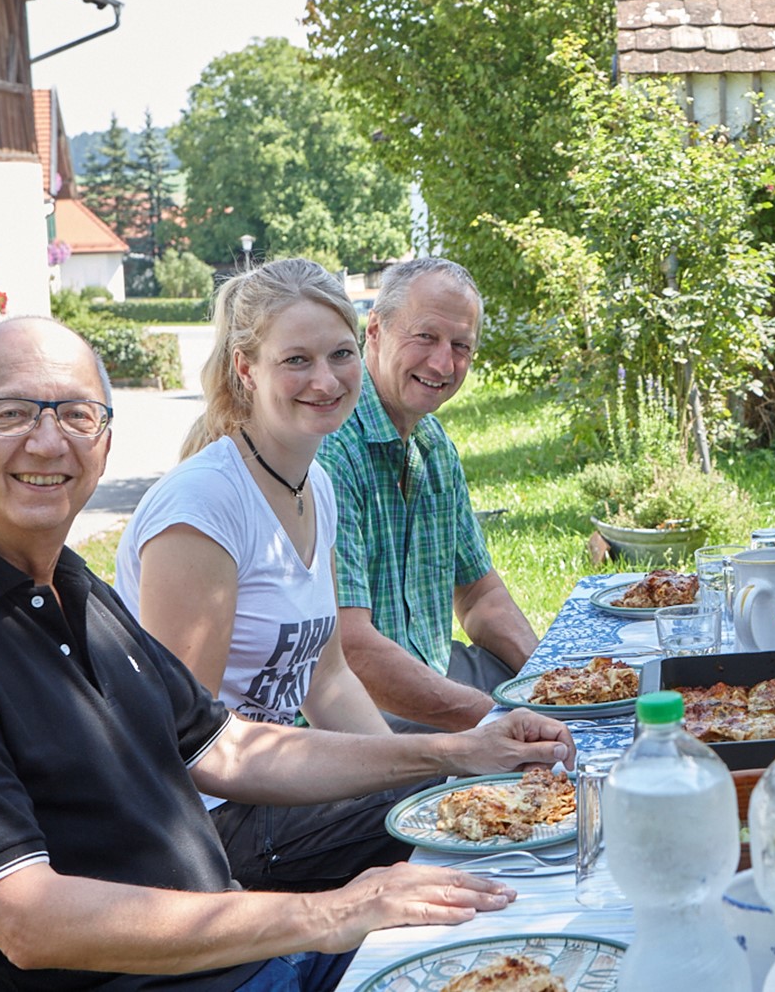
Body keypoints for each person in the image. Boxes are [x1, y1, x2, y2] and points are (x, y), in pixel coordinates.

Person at [0, 316, 574, 991]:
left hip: (241, 960)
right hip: (187, 978)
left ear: (103, 443)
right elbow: (27, 922)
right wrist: (335, 911)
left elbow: (230, 751)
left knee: (535, 934)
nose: (48, 442)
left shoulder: (70, 584)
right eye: (11, 414)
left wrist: (455, 751)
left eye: (76, 414)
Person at [116, 259, 525, 891]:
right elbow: (188, 749)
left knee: (480, 797)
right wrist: (437, 756)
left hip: (283, 784)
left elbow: (328, 678)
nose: (326, 380)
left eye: (339, 355)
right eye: (297, 361)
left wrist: (416, 766)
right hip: (206, 830)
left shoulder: (317, 487)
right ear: (246, 368)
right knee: (466, 823)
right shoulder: (202, 507)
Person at [318, 258, 538, 732]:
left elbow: (480, 596)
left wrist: (548, 682)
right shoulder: (332, 450)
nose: (443, 363)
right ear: (374, 330)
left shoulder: (433, 446)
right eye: (426, 337)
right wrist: (498, 719)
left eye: (461, 346)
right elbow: (349, 649)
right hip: (355, 712)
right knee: (535, 761)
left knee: (563, 698)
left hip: (432, 675)